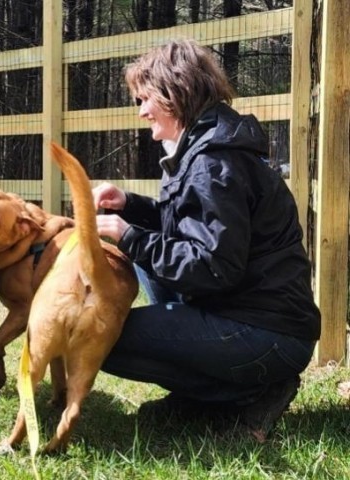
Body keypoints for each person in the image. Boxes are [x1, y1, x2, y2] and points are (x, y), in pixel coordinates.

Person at [92, 38, 321, 442]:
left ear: (173, 93)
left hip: (269, 334)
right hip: (253, 315)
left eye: (144, 99)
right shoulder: (207, 147)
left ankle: (245, 393)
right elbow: (192, 224)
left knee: (98, 333)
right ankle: (203, 394)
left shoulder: (213, 162)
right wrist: (130, 206)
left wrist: (130, 238)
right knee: (145, 264)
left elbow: (213, 266)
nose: (141, 111)